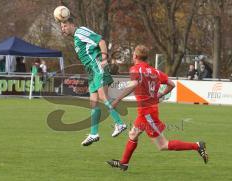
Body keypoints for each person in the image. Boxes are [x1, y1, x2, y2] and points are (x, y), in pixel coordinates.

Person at [106, 45, 208, 171]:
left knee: (162, 145)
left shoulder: (135, 69)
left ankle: (197, 146)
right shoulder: (155, 71)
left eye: (133, 55)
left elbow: (133, 85)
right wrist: (161, 94)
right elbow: (171, 84)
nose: (132, 57)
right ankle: (124, 163)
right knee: (133, 134)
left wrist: (117, 99)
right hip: (147, 110)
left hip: (147, 113)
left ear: (136, 56)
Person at [59, 17, 126, 146]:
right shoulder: (75, 38)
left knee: (103, 97)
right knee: (94, 102)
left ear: (72, 24)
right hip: (91, 72)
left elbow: (100, 41)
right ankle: (94, 133)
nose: (63, 29)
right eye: (62, 27)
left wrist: (105, 58)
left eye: (65, 25)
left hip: (97, 66)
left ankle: (120, 123)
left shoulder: (80, 32)